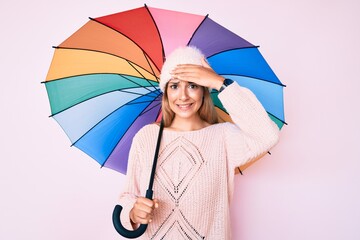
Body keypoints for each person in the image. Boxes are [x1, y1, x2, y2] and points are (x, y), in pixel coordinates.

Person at [118, 46, 280, 239]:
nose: (183, 95)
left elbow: (267, 135)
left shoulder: (223, 137)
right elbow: (127, 197)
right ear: (166, 92)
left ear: (204, 90)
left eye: (193, 85)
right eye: (175, 85)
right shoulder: (147, 137)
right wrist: (133, 213)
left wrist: (220, 83)